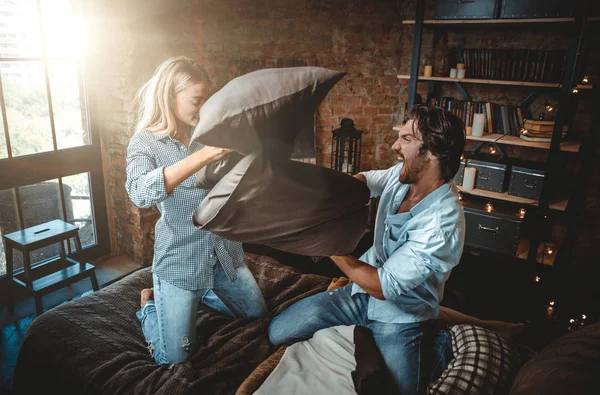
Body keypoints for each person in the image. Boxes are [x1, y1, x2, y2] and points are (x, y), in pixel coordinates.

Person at [269, 105, 467, 394]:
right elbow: (366, 180)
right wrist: (332, 196)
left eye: (407, 140)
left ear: (433, 152)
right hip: (360, 294)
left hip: (402, 314)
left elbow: (384, 286)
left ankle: (435, 338)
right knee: (277, 333)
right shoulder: (402, 176)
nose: (394, 146)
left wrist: (326, 242)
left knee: (400, 391)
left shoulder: (443, 223)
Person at [125, 56, 268, 366]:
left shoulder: (212, 129)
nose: (203, 108)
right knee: (173, 359)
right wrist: (201, 157)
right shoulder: (145, 143)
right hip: (180, 261)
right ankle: (149, 306)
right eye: (196, 100)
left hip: (225, 254)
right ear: (169, 96)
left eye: (207, 99)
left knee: (259, 319)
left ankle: (203, 293)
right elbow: (138, 192)